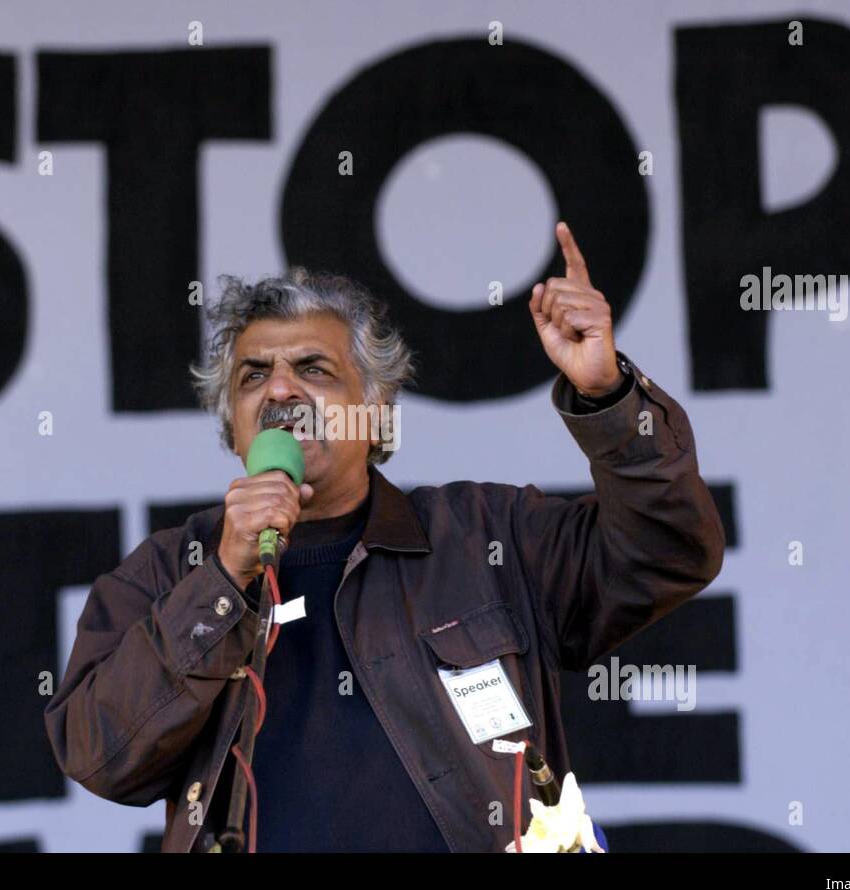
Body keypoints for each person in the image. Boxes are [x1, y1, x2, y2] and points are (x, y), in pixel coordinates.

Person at [45, 221, 725, 852]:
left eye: (313, 369)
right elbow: (101, 755)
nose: (280, 388)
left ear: (374, 413)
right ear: (233, 423)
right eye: (254, 375)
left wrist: (609, 396)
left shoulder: (489, 539)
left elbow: (670, 553)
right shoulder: (170, 571)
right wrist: (222, 580)